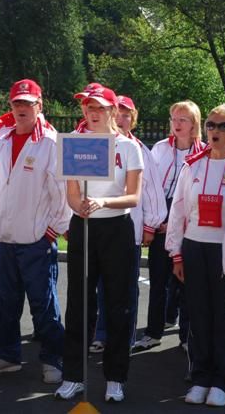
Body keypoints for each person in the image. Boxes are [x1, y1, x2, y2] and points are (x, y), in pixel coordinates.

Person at [165, 103, 225, 407]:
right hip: (195, 247)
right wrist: (176, 253)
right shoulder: (193, 165)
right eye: (211, 125)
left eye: (223, 126)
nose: (215, 131)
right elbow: (178, 209)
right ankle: (201, 377)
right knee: (198, 317)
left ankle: (222, 380)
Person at [55, 86, 143, 403]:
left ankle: (115, 378)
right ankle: (73, 376)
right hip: (84, 227)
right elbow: (72, 194)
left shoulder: (128, 147)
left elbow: (133, 196)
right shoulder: (75, 143)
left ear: (112, 110)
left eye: (99, 107)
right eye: (87, 107)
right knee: (79, 304)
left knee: (118, 305)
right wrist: (79, 206)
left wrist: (103, 201)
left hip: (117, 228)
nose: (92, 112)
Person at [0, 79, 70, 384]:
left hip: (35, 242)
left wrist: (51, 232)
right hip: (3, 239)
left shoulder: (51, 143)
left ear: (39, 106)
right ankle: (8, 355)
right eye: (17, 103)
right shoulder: (2, 139)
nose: (21, 108)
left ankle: (53, 358)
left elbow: (62, 194)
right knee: (7, 302)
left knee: (43, 304)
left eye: (27, 104)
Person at [89, 95, 167, 354]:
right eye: (118, 113)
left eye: (126, 114)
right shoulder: (96, 144)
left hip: (128, 228)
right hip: (98, 228)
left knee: (126, 288)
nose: (121, 118)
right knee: (101, 286)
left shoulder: (138, 149)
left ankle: (125, 337)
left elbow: (152, 190)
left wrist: (150, 224)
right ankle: (101, 333)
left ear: (133, 119)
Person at [136, 100, 205, 353]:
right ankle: (153, 332)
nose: (176, 124)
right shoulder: (160, 148)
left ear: (194, 124)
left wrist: (178, 224)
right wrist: (156, 221)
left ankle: (187, 336)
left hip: (188, 216)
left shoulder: (204, 153)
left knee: (187, 282)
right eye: (173, 119)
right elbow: (149, 187)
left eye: (182, 119)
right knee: (158, 279)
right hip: (160, 212)